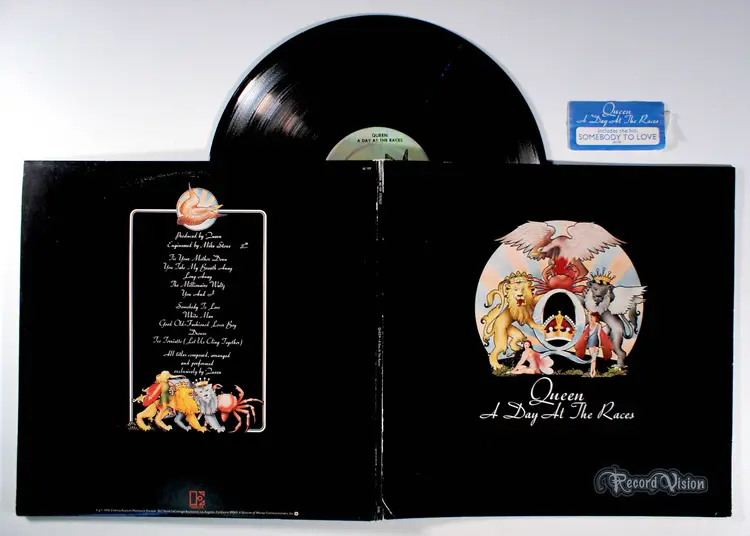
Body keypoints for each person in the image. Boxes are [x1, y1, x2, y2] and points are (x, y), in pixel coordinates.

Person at [574, 312, 613, 377]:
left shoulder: (598, 325)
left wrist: (600, 344)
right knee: (593, 358)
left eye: (592, 317)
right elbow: (584, 333)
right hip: (590, 343)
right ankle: (593, 371)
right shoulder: (588, 326)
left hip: (596, 342)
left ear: (595, 317)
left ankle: (592, 371)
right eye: (590, 317)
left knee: (594, 358)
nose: (591, 318)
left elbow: (599, 335)